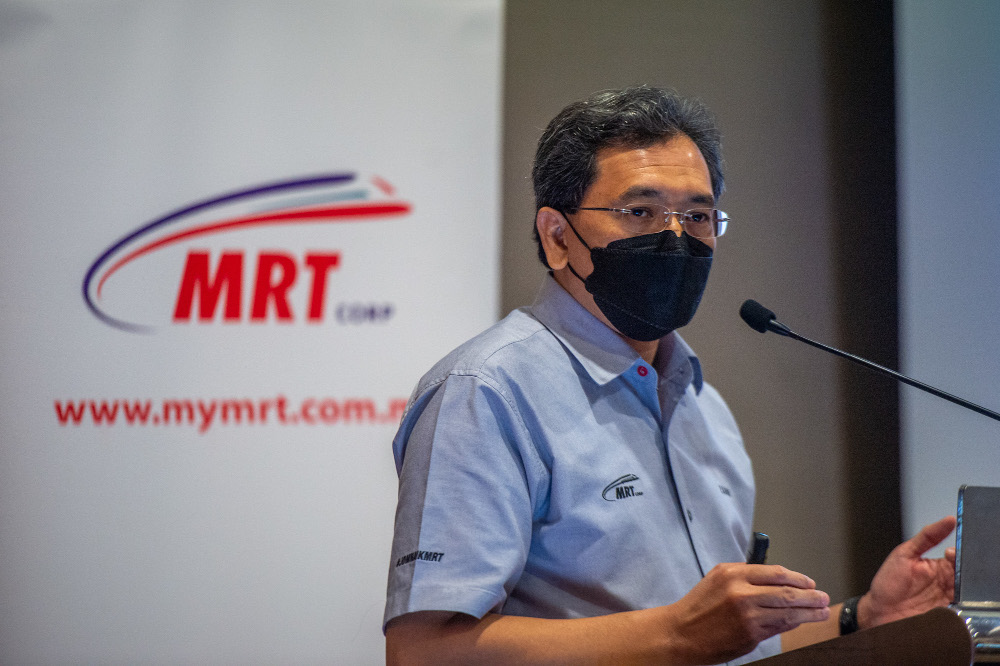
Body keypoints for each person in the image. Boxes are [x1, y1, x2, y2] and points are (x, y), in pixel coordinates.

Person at [383, 86, 956, 664]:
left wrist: (865, 618)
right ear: (558, 236)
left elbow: (724, 646)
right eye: (641, 212)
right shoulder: (487, 393)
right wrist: (679, 632)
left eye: (699, 216)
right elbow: (425, 651)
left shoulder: (705, 408)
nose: (677, 237)